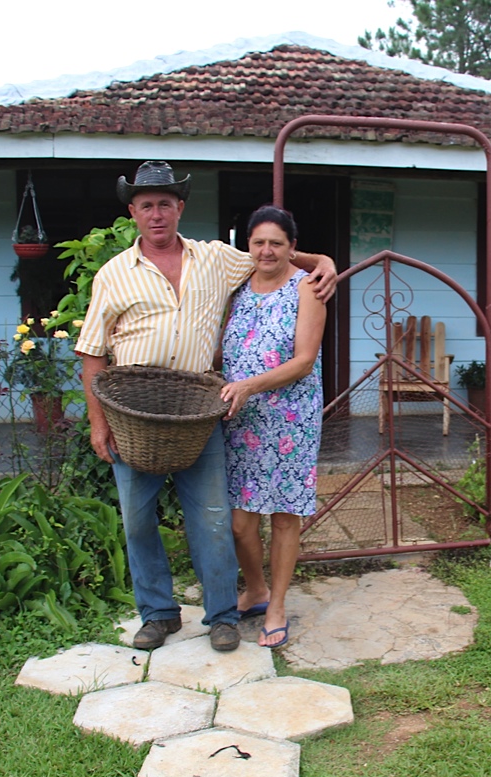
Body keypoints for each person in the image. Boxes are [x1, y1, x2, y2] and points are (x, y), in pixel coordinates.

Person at [75, 161, 336, 652]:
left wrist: (322, 260)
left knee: (214, 516)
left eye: (166, 204)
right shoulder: (113, 275)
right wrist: (98, 423)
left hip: (200, 412)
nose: (157, 214)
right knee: (137, 519)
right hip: (134, 415)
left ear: (181, 208)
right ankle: (157, 614)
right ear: (133, 211)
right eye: (147, 205)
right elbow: (92, 353)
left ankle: (220, 615)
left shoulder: (214, 259)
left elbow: (273, 256)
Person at [219, 205, 325, 648]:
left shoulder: (307, 288)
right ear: (249, 246)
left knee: (284, 517)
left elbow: (303, 360)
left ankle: (277, 605)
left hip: (290, 419)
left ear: (292, 249)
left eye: (276, 243)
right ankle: (256, 588)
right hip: (240, 419)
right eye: (259, 241)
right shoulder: (236, 288)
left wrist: (249, 384)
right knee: (241, 522)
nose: (266, 250)